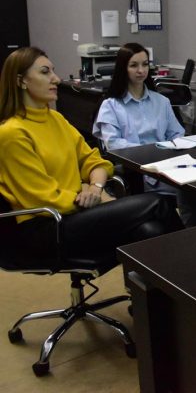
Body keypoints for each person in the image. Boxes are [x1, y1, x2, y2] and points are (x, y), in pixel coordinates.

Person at [0, 46, 183, 262]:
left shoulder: (56, 119)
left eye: (53, 71)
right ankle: (195, 265)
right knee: (157, 203)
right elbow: (43, 197)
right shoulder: (12, 133)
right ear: (21, 81)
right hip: (47, 226)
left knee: (151, 230)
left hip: (76, 212)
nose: (56, 79)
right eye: (45, 72)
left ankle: (173, 280)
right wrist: (93, 197)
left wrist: (95, 187)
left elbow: (95, 161)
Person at [93, 43, 196, 227]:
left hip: (168, 165)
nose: (141, 70)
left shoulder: (161, 101)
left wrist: (172, 148)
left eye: (145, 64)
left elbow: (177, 133)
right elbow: (113, 144)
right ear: (123, 68)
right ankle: (186, 234)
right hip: (141, 171)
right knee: (187, 191)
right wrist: (155, 149)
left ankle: (193, 235)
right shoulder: (111, 105)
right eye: (134, 65)